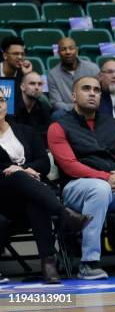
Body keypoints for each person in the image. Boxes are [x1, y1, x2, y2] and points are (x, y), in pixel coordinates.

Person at [47, 76, 115, 280]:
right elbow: (70, 165)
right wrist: (105, 177)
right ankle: (89, 263)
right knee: (99, 188)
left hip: (114, 186)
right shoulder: (58, 126)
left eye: (97, 90)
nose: (92, 93)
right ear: (73, 95)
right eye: (86, 89)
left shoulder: (114, 124)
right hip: (76, 188)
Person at [0, 88, 92, 283]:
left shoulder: (25, 130)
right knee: (18, 178)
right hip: (3, 197)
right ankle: (64, 214)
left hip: (31, 194)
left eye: (0, 100)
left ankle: (48, 265)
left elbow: (43, 161)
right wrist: (19, 170)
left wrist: (24, 169)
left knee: (35, 202)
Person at [47, 37, 99, 115]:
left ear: (77, 51)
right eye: (63, 49)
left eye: (71, 48)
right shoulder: (53, 74)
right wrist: (78, 109)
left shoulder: (92, 69)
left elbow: (99, 94)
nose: (68, 52)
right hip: (68, 113)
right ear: (58, 53)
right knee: (57, 114)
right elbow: (56, 103)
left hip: (91, 109)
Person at [13, 72, 53, 145]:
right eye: (32, 83)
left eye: (40, 84)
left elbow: (48, 134)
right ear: (22, 87)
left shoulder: (43, 108)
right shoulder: (12, 107)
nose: (37, 87)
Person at [0, 36, 32, 110]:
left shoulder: (23, 72)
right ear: (5, 55)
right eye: (16, 54)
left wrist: (27, 76)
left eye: (22, 54)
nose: (20, 57)